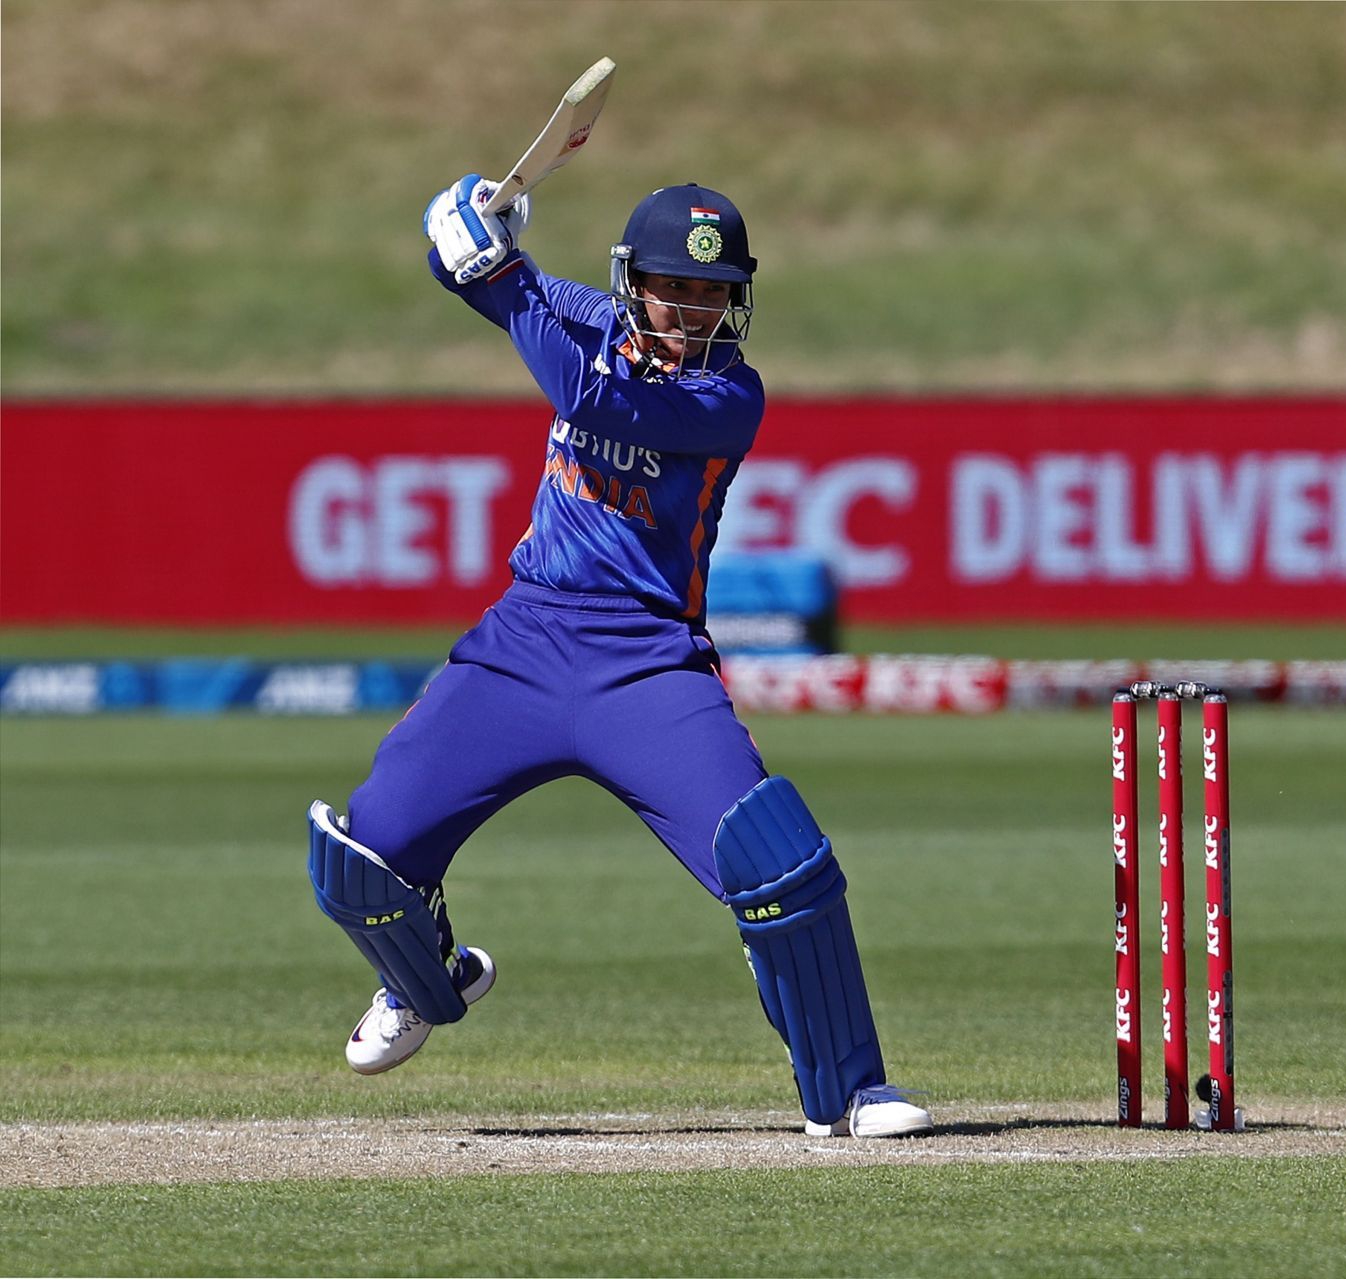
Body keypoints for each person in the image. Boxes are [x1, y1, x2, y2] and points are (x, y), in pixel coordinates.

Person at [304, 174, 931, 1139]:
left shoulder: (729, 395)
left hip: (646, 663)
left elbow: (592, 401)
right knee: (361, 857)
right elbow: (471, 274)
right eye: (675, 289)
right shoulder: (590, 316)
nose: (695, 311)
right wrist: (464, 227)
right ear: (632, 283)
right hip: (522, 641)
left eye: (715, 294)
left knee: (783, 865)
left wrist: (497, 270)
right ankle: (426, 978)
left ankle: (851, 1090)